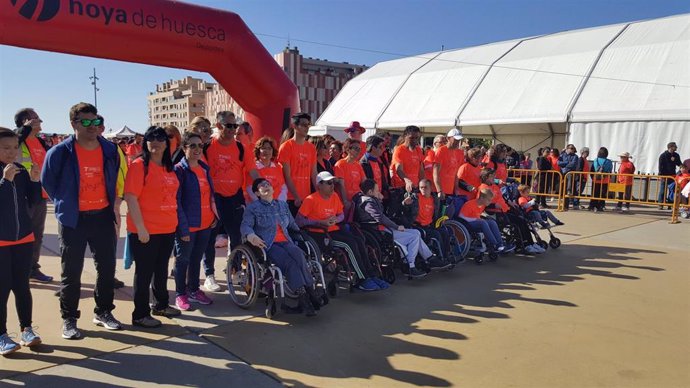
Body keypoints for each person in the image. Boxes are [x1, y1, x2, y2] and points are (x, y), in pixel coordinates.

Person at [42, 102, 122, 339]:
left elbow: (113, 176)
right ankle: (69, 319)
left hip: (102, 217)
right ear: (73, 124)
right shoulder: (59, 152)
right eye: (85, 122)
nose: (91, 127)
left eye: (95, 122)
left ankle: (104, 312)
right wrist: (65, 201)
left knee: (107, 268)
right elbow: (48, 182)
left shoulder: (109, 150)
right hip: (73, 220)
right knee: (71, 272)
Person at [124, 126, 181, 328]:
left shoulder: (169, 167)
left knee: (161, 269)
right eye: (151, 138)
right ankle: (140, 314)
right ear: (145, 143)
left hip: (167, 228)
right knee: (144, 272)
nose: (155, 142)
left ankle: (161, 305)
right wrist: (140, 228)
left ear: (167, 143)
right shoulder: (139, 166)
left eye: (160, 138)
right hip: (146, 230)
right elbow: (130, 197)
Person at [241, 178, 322, 317]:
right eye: (261, 186)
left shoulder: (282, 205)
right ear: (257, 193)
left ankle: (310, 292)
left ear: (273, 189)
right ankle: (303, 298)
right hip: (268, 244)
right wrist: (251, 236)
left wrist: (303, 233)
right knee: (288, 262)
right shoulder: (253, 208)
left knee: (299, 256)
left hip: (286, 241)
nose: (266, 187)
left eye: (268, 184)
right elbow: (245, 225)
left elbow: (292, 225)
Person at [296, 171, 385, 291]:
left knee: (359, 240)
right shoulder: (311, 200)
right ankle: (362, 278)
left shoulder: (335, 196)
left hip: (334, 230)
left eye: (332, 182)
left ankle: (371, 275)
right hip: (319, 234)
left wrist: (335, 219)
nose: (332, 185)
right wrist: (319, 222)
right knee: (350, 245)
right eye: (328, 183)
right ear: (319, 185)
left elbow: (341, 215)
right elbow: (299, 221)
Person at [0, 128, 42, 355]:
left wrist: (35, 180)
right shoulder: (6, 174)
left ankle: (27, 329)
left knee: (22, 287)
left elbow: (33, 202)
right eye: (6, 148)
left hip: (24, 238)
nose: (11, 152)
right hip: (2, 242)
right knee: (2, 289)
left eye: (14, 148)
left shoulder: (20, 171)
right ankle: (2, 335)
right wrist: (5, 182)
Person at [356, 179, 447, 278]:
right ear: (370, 192)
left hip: (384, 229)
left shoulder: (371, 200)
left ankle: (428, 258)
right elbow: (380, 218)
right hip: (380, 232)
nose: (379, 192)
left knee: (416, 233)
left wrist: (378, 199)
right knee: (414, 237)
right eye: (377, 190)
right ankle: (410, 265)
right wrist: (396, 226)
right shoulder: (368, 203)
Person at [173, 132, 216, 311]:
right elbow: (177, 201)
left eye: (200, 145)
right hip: (188, 225)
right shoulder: (179, 170)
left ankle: (193, 289)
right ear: (184, 149)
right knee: (183, 260)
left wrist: (214, 217)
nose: (197, 149)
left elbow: (210, 196)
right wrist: (182, 228)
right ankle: (180, 294)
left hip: (206, 224)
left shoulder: (205, 169)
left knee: (196, 258)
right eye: (192, 145)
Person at [205, 111, 253, 270]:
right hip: (213, 198)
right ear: (219, 126)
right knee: (210, 237)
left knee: (236, 235)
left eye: (235, 126)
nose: (233, 129)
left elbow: (252, 171)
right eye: (229, 125)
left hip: (234, 197)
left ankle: (235, 267)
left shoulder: (241, 148)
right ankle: (209, 273)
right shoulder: (207, 147)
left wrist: (262, 184)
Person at [14, 108, 53, 283]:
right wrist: (25, 129)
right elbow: (15, 138)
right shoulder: (17, 139)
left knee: (37, 234)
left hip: (40, 195)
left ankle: (32, 268)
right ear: (25, 121)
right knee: (20, 234)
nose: (40, 121)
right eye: (35, 118)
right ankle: (18, 269)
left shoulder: (41, 142)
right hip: (22, 195)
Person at [278, 113, 318, 216]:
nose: (307, 128)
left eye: (308, 125)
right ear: (295, 126)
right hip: (290, 197)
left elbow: (314, 174)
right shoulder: (286, 147)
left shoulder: (311, 148)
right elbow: (287, 176)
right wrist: (296, 196)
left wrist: (319, 194)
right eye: (304, 125)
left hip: (306, 197)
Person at [459, 189, 513, 253]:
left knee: (492, 222)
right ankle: (494, 244)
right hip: (467, 224)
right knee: (483, 222)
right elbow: (461, 217)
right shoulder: (469, 204)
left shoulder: (482, 205)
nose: (490, 202)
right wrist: (475, 219)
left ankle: (500, 244)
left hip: (477, 222)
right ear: (482, 198)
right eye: (489, 200)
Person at [389, 126, 425, 219]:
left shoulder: (418, 150)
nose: (414, 140)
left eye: (417, 138)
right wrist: (407, 180)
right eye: (411, 138)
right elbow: (399, 169)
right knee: (401, 216)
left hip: (414, 188)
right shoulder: (399, 150)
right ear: (405, 136)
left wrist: (423, 184)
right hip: (400, 188)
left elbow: (421, 170)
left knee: (413, 215)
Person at [246, 136, 287, 202]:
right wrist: (261, 204)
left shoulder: (278, 167)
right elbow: (249, 188)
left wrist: (280, 202)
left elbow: (283, 187)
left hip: (276, 205)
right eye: (263, 148)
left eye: (269, 148)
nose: (266, 151)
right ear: (258, 151)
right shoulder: (253, 167)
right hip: (258, 206)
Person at [334, 139, 367, 214]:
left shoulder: (358, 165)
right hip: (344, 202)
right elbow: (341, 185)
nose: (358, 151)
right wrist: (345, 201)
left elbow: (365, 182)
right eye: (356, 148)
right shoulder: (340, 164)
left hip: (357, 200)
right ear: (348, 149)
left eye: (359, 149)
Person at [433, 128, 465, 201]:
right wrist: (439, 190)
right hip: (438, 191)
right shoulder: (441, 151)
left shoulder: (459, 153)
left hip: (450, 190)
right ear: (448, 138)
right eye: (456, 139)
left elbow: (456, 173)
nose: (458, 142)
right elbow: (435, 173)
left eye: (459, 140)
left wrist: (456, 187)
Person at [658, 142, 682, 210]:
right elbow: (660, 166)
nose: (676, 148)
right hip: (664, 176)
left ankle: (670, 204)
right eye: (675, 147)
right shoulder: (663, 155)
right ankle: (660, 204)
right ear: (671, 147)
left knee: (672, 190)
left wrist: (682, 168)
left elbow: (679, 163)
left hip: (673, 175)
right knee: (662, 190)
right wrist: (661, 175)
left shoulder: (676, 155)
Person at [589, 147, 613, 212]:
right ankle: (601, 206)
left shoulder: (595, 160)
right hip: (605, 180)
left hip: (596, 179)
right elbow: (610, 171)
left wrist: (593, 177)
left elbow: (592, 170)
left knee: (594, 193)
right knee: (602, 194)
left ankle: (593, 206)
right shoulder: (609, 162)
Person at [558, 144, 579, 211]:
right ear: (567, 148)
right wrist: (567, 163)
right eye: (570, 148)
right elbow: (559, 163)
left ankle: (566, 206)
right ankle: (563, 205)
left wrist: (565, 165)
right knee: (562, 190)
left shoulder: (575, 156)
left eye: (573, 148)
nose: (571, 149)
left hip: (569, 174)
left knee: (567, 191)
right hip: (562, 174)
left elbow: (573, 164)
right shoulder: (562, 155)